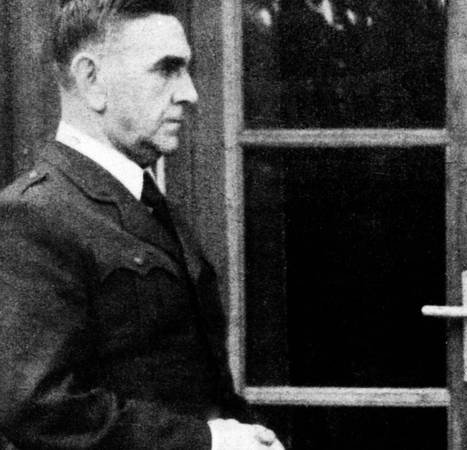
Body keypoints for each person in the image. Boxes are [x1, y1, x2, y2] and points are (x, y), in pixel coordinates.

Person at [0, 1, 284, 449]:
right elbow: (39, 409)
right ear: (92, 80)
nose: (190, 93)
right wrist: (205, 443)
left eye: (187, 69)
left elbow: (197, 382)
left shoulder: (146, 202)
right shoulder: (35, 215)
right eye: (166, 69)